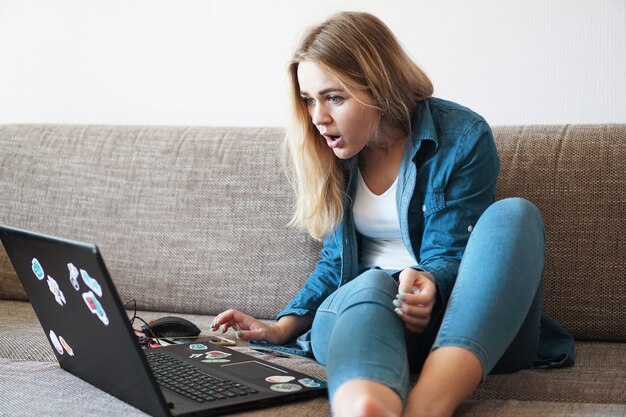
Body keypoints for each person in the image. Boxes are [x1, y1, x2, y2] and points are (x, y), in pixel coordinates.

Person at [211, 11, 574, 417]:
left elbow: (453, 250)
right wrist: (283, 327)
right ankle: (368, 407)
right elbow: (335, 264)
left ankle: (428, 405)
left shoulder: (464, 136)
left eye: (334, 97)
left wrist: (429, 283)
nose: (318, 118)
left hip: (458, 324)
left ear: (379, 86)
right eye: (309, 100)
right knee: (370, 285)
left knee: (514, 215)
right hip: (365, 319)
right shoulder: (333, 152)